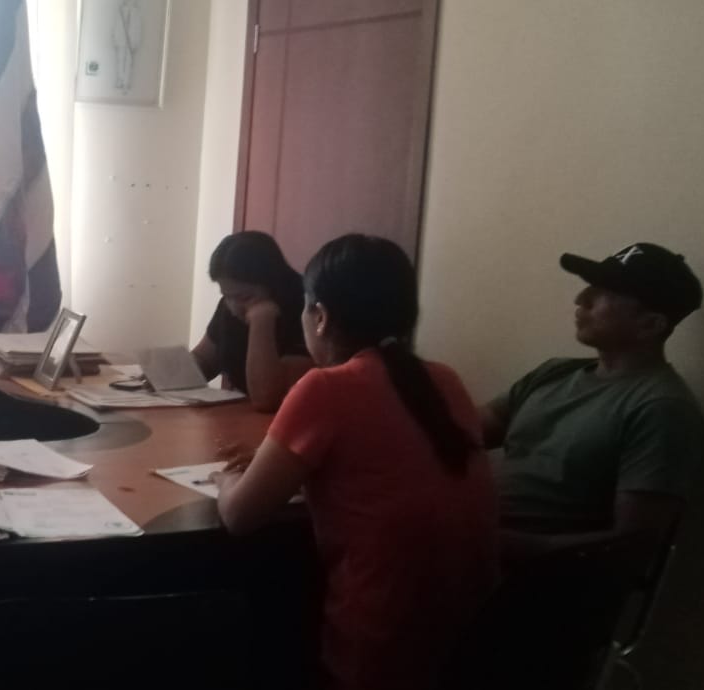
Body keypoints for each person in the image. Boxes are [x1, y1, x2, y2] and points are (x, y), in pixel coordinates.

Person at [215, 234, 498, 690]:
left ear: (320, 316)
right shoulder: (444, 379)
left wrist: (227, 478)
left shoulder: (325, 387)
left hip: (376, 644)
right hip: (471, 639)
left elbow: (239, 515)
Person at [484, 243, 704, 560]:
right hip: (469, 541)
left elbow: (632, 542)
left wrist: (505, 546)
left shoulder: (662, 408)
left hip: (531, 573)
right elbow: (457, 431)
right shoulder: (554, 372)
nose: (581, 299)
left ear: (650, 324)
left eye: (603, 293)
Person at [190, 231, 312, 412]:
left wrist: (261, 321)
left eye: (244, 297)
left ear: (272, 284)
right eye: (226, 296)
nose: (234, 307)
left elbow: (267, 398)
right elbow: (205, 359)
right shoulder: (229, 305)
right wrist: (165, 375)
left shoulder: (305, 309)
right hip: (239, 419)